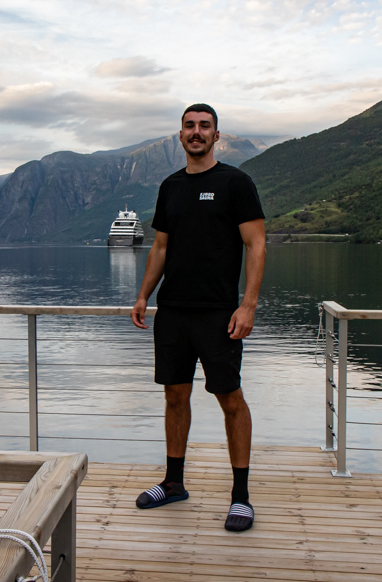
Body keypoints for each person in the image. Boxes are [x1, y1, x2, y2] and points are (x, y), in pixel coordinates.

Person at [130, 103, 266, 532]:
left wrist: (248, 305)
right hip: (173, 313)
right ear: (180, 134)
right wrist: (143, 295)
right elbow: (161, 249)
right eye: (189, 126)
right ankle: (173, 483)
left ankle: (240, 497)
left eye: (204, 126)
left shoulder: (236, 183)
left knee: (230, 399)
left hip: (219, 314)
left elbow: (257, 245)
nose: (196, 132)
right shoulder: (170, 186)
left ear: (216, 135)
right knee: (174, 397)